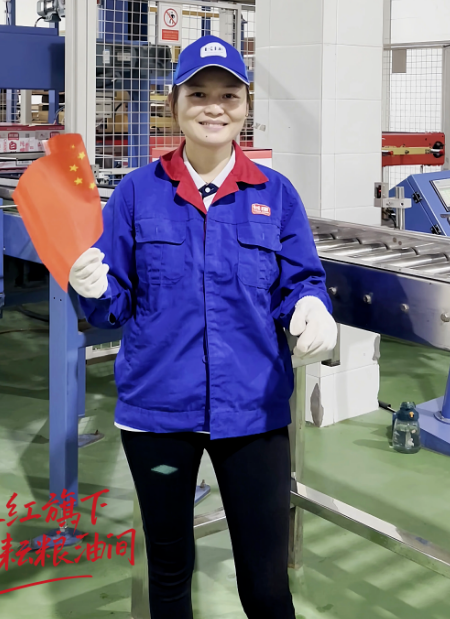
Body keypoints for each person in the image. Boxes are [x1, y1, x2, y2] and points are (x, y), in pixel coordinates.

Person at [70, 35, 338, 619]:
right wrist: (89, 288)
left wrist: (313, 306)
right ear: (174, 105)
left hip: (253, 411)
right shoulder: (138, 193)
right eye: (198, 94)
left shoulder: (275, 194)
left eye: (228, 95)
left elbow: (300, 280)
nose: (214, 107)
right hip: (159, 413)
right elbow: (113, 304)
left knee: (266, 583)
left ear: (245, 106)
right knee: (169, 571)